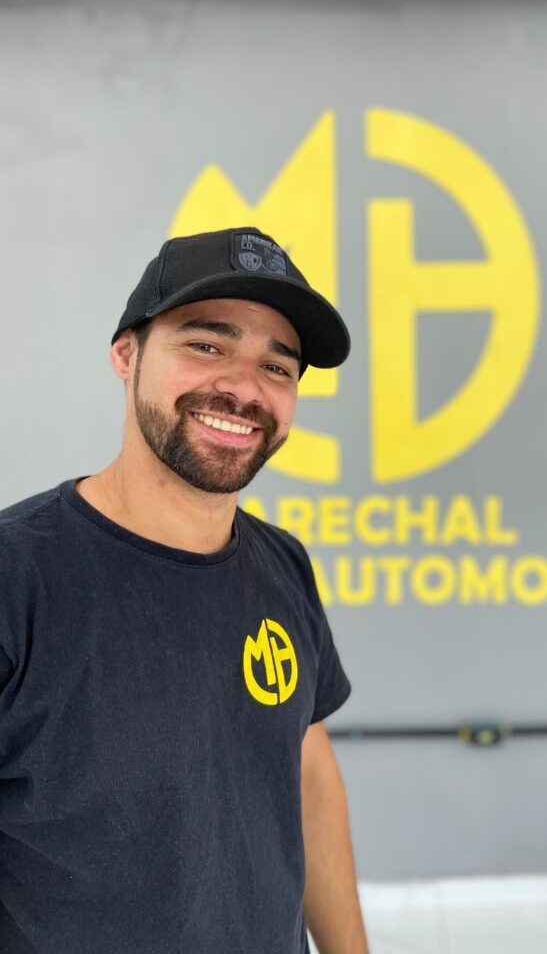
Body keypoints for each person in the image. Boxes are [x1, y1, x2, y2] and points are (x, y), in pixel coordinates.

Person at [0, 227, 369, 954]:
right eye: (206, 344)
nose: (245, 387)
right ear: (126, 354)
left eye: (278, 366)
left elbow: (305, 771)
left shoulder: (283, 564)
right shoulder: (18, 576)